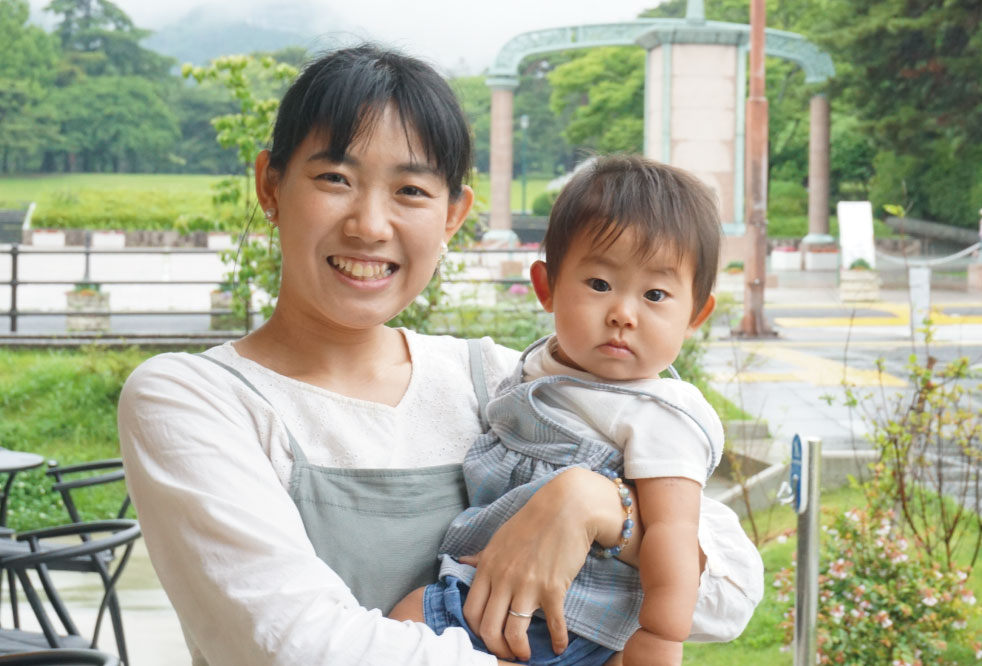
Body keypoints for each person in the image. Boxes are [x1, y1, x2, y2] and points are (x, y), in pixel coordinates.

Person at [118, 45, 757, 666]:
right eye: (334, 178)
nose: (369, 224)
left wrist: (594, 505)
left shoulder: (500, 381)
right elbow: (296, 648)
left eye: (412, 192)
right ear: (270, 185)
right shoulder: (195, 399)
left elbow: (728, 594)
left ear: (454, 215)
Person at [392, 156, 763, 665]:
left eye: (655, 294)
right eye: (599, 284)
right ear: (546, 287)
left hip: (571, 618)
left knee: (405, 624)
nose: (623, 315)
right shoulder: (535, 372)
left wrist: (657, 638)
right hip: (503, 594)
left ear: (696, 314)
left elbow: (674, 533)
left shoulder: (659, 414)